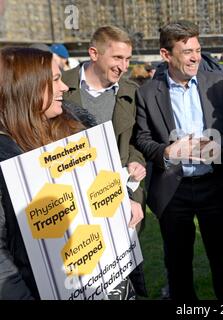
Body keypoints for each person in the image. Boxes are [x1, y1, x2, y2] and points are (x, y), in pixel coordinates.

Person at [0, 47, 144, 299]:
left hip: (111, 281)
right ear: (25, 87)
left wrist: (123, 199)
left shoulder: (76, 126)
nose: (65, 88)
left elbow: (96, 191)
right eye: (55, 80)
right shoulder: (6, 158)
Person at [134, 20, 223, 300]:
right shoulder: (146, 93)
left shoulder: (217, 82)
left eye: (198, 49)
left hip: (213, 184)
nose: (195, 57)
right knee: (178, 262)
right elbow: (142, 139)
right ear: (166, 55)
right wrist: (167, 152)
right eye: (187, 51)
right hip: (173, 189)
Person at [61, 25, 147, 298]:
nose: (124, 66)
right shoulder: (59, 87)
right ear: (94, 54)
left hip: (117, 199)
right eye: (117, 58)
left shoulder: (132, 93)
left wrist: (135, 164)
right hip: (69, 203)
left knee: (117, 278)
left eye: (128, 59)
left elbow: (136, 143)